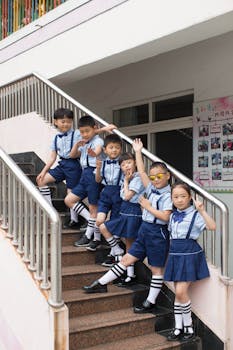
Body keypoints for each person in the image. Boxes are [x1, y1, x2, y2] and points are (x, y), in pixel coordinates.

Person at [83, 138, 172, 297]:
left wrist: (148, 207)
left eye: (159, 176)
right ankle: (100, 283)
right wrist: (138, 151)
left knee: (156, 269)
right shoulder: (150, 188)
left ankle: (150, 302)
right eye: (153, 177)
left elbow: (166, 216)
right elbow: (143, 172)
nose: (155, 179)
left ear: (168, 176)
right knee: (126, 258)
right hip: (144, 228)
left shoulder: (170, 194)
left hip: (158, 233)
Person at [165, 182, 216, 341]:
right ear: (171, 198)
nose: (179, 200)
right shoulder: (172, 215)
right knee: (177, 292)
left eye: (183, 196)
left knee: (181, 292)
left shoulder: (195, 214)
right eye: (175, 197)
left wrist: (201, 210)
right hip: (175, 253)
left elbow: (212, 226)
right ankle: (178, 327)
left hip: (190, 253)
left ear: (189, 198)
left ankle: (188, 325)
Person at [64, 115, 115, 246]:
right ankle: (90, 221)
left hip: (94, 174)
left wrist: (93, 152)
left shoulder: (98, 141)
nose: (84, 134)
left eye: (87, 131)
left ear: (94, 128)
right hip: (84, 174)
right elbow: (72, 155)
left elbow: (97, 151)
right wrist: (77, 144)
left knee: (94, 208)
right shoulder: (84, 140)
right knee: (69, 200)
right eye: (82, 132)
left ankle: (89, 235)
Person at [36, 108, 89, 229]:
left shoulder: (76, 134)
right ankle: (50, 211)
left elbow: (80, 152)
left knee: (70, 195)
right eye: (63, 121)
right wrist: (43, 171)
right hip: (62, 165)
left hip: (74, 165)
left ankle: (80, 220)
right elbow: (52, 157)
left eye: (69, 121)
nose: (66, 124)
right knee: (41, 180)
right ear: (55, 122)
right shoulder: (56, 138)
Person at [86, 134, 123, 253]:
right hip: (106, 192)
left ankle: (114, 249)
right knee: (99, 219)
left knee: (114, 223)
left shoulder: (123, 163)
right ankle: (97, 239)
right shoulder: (103, 163)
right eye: (111, 147)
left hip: (119, 193)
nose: (114, 150)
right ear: (105, 150)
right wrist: (97, 169)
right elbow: (97, 180)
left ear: (121, 149)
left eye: (117, 147)